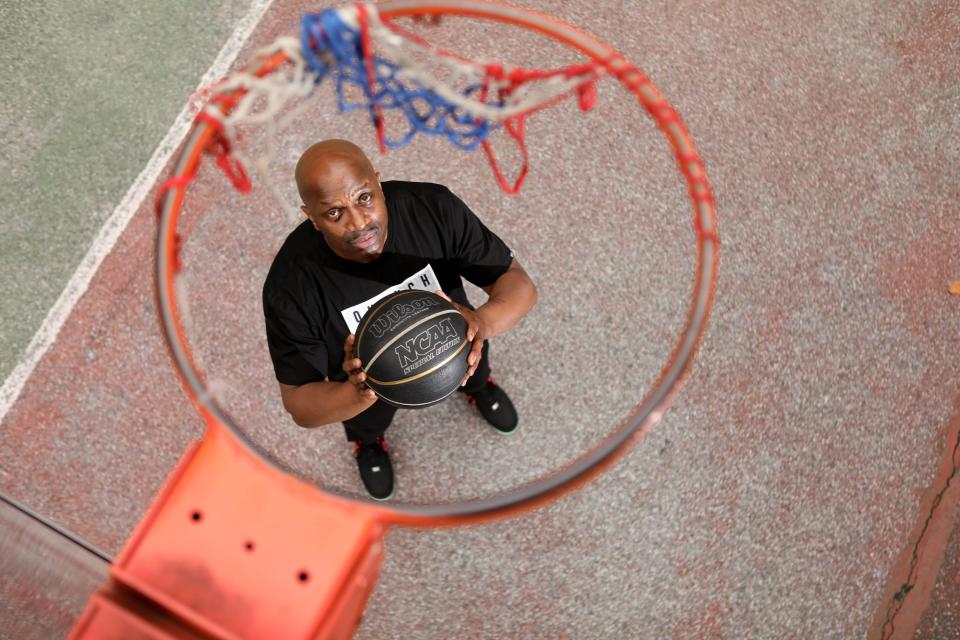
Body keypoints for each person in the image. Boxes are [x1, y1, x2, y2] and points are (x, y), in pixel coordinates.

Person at [262, 139, 537, 500]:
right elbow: (299, 402)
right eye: (334, 213)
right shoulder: (291, 286)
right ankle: (370, 443)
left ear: (377, 181)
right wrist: (355, 392)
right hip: (363, 382)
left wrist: (481, 323)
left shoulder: (432, 209)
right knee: (365, 419)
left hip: (457, 339)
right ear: (310, 216)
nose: (359, 223)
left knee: (474, 364)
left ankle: (478, 388)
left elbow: (517, 284)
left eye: (364, 198)